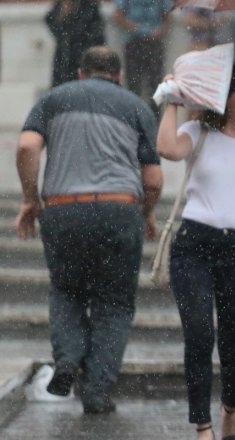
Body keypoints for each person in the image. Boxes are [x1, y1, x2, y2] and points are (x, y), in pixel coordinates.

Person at [15, 46, 162, 414]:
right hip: (118, 209)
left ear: (80, 73)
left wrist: (30, 199)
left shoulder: (54, 99)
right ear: (120, 76)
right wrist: (146, 212)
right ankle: (96, 392)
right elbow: (154, 179)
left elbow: (26, 146)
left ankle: (67, 361)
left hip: (64, 210)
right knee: (113, 303)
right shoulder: (136, 106)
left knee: (67, 292)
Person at [156, 62, 235, 440]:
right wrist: (171, 100)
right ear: (225, 98)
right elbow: (167, 148)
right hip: (195, 245)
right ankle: (202, 424)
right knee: (200, 334)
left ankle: (230, 409)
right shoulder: (197, 131)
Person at [113, 0, 172, 103]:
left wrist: (158, 32)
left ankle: (154, 115)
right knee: (134, 85)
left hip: (154, 43)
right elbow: (118, 15)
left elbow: (167, 15)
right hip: (134, 42)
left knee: (155, 86)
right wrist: (136, 28)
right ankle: (134, 114)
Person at [45, 0, 105, 87]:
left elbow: (95, 34)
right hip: (64, 60)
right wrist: (63, 15)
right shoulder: (59, 7)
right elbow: (55, 28)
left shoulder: (89, 7)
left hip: (82, 59)